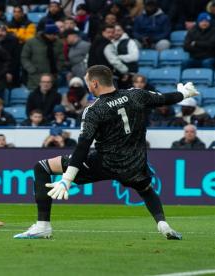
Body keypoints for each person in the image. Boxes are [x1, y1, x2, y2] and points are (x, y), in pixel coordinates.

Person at [14, 65, 200, 240]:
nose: (88, 86)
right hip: (134, 162)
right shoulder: (136, 94)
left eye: (88, 82)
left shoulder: (95, 110)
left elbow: (83, 146)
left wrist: (67, 179)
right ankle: (163, 224)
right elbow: (165, 98)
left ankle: (43, 226)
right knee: (145, 189)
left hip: (104, 162)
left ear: (94, 83)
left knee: (41, 167)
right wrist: (184, 93)